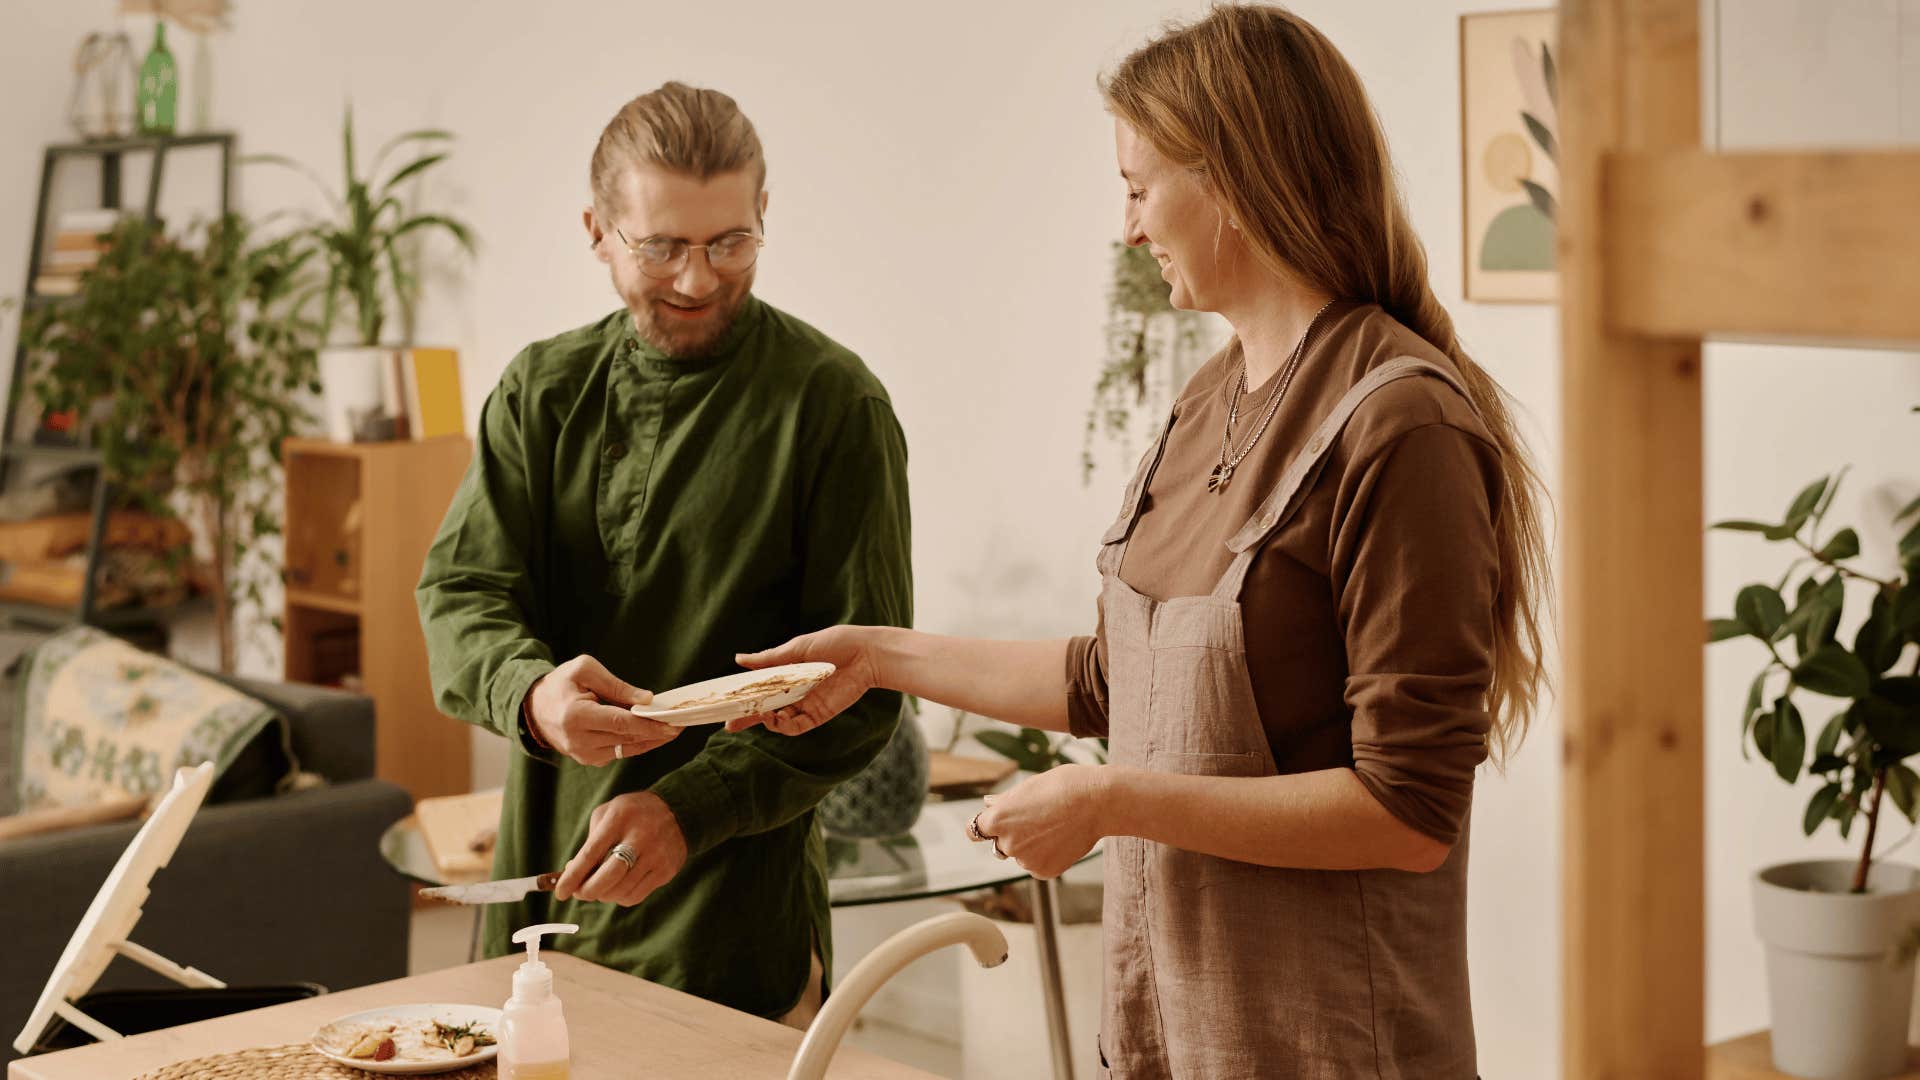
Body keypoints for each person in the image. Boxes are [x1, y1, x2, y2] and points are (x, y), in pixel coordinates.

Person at [732, 6, 1550, 1075]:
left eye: (1137, 186)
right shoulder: (1206, 399)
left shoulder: (1404, 426)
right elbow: (1124, 681)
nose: (1127, 228)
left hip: (1330, 1046)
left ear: (1238, 181)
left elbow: (1408, 812)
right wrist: (882, 657)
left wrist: (1116, 800)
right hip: (1172, 1032)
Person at [415, 81, 913, 1028]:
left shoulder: (835, 408)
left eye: (731, 241)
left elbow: (866, 691)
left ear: (765, 214)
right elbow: (460, 592)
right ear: (597, 231)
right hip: (541, 894)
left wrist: (692, 808)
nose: (697, 279)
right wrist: (530, 692)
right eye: (663, 247)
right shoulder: (540, 392)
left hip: (733, 925)